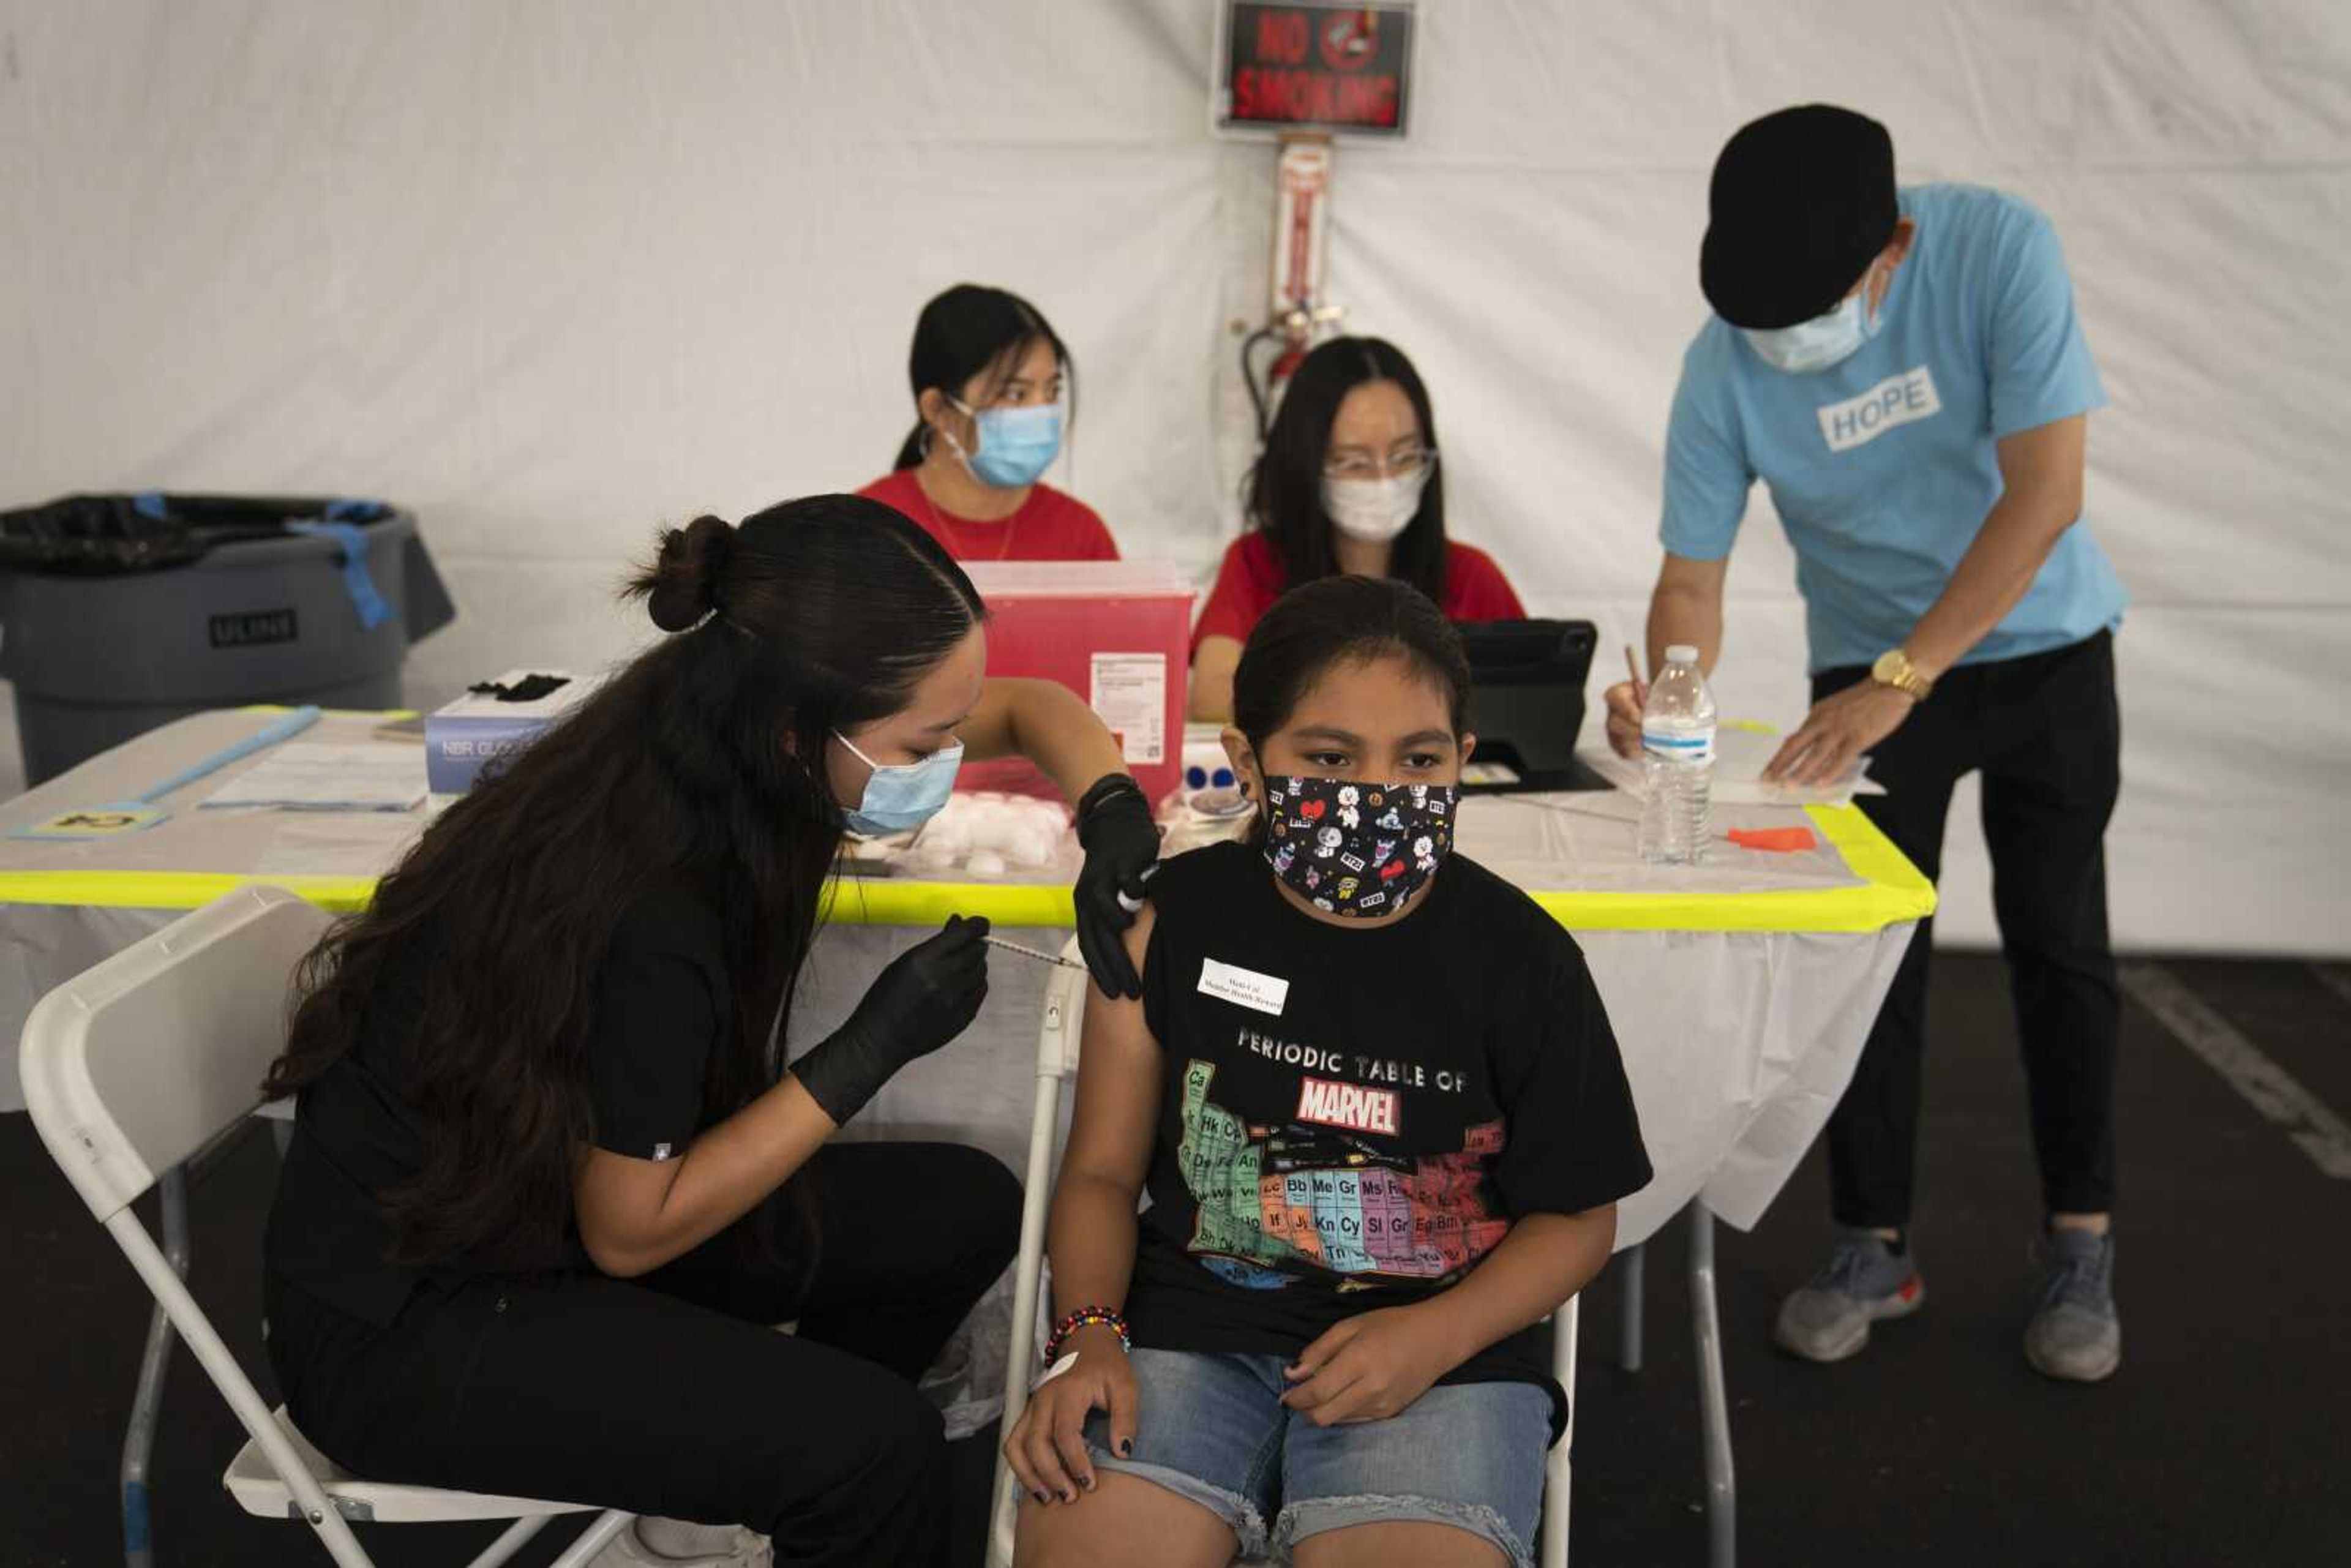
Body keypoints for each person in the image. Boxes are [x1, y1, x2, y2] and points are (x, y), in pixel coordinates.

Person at [259, 496, 1164, 1568]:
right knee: (881, 1450)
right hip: (416, 1317)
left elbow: (1024, 710)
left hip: (536, 1204)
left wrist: (1110, 804)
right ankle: (809, 1472)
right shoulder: (653, 894)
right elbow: (631, 1230)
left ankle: (758, 1472)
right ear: (799, 731)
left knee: (963, 1209)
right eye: (925, 742)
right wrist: (866, 1052)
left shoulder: (708, 723)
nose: (950, 755)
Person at [1604, 105, 2129, 1382]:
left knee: (2060, 940)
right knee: (1870, 949)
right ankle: (1871, 1239)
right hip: (1866, 674)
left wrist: (1910, 673)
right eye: (1760, 319)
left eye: (1810, 310)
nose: (1784, 343)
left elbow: (2047, 490)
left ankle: (2080, 1237)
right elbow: (1694, 576)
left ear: (1892, 247)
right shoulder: (1719, 365)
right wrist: (1675, 684)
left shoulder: (1997, 249)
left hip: (2041, 641)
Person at [1010, 576, 1652, 1568]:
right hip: (1184, 1337)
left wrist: (1433, 1338)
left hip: (1450, 1360)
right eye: (1329, 757)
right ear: (1247, 762)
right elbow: (1099, 1172)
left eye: (1420, 758)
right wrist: (1088, 1334)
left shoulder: (1526, 961)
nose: (1379, 792)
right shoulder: (1171, 918)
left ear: (1464, 764)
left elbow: (1576, 1216)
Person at [1188, 337, 1526, 721]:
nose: (1385, 478)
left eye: (1404, 456)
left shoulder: (1470, 575)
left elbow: (1535, 701)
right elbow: (1211, 698)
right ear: (1306, 465)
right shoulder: (1257, 565)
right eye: (1354, 462)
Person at [859, 283, 1120, 562]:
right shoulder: (865, 530)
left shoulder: (1081, 535)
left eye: (1052, 391)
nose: (1041, 412)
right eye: (1014, 394)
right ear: (937, 409)